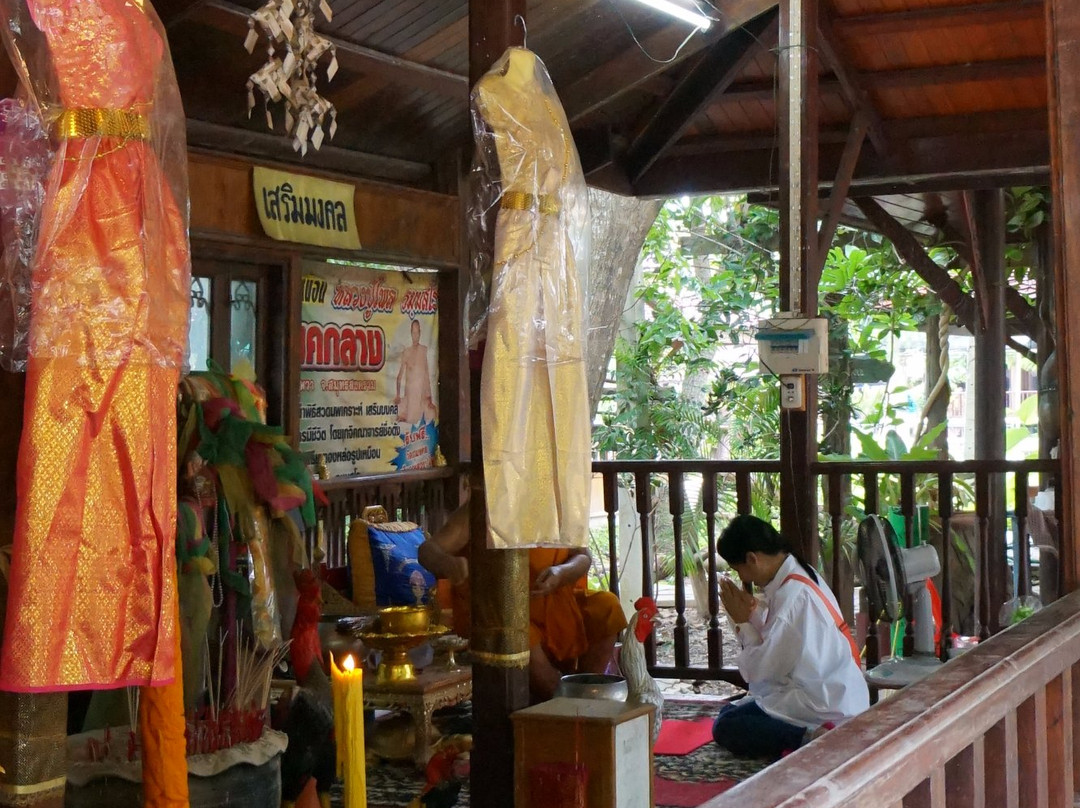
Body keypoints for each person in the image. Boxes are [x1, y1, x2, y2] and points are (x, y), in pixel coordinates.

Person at [418, 502, 627, 701]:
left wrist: (561, 572)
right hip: (500, 610)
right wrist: (448, 563)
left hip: (554, 601)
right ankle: (563, 701)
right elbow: (427, 551)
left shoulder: (557, 500)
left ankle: (586, 688)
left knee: (606, 607)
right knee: (517, 628)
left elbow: (583, 556)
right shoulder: (486, 504)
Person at [712, 515, 869, 759]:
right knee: (728, 713)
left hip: (823, 701)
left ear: (753, 559)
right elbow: (782, 638)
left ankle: (810, 737)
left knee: (726, 726)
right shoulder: (797, 572)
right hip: (837, 691)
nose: (744, 579)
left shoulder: (793, 595)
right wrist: (753, 613)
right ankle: (805, 732)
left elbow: (761, 670)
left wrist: (742, 622)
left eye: (739, 569)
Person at [394, 319, 437, 425]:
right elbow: (399, 377)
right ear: (411, 333)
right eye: (413, 333)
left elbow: (427, 376)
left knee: (432, 413)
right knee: (404, 414)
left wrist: (430, 398)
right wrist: (398, 395)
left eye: (417, 332)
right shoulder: (406, 352)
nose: (415, 335)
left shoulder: (424, 350)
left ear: (420, 333)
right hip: (410, 397)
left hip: (422, 396)